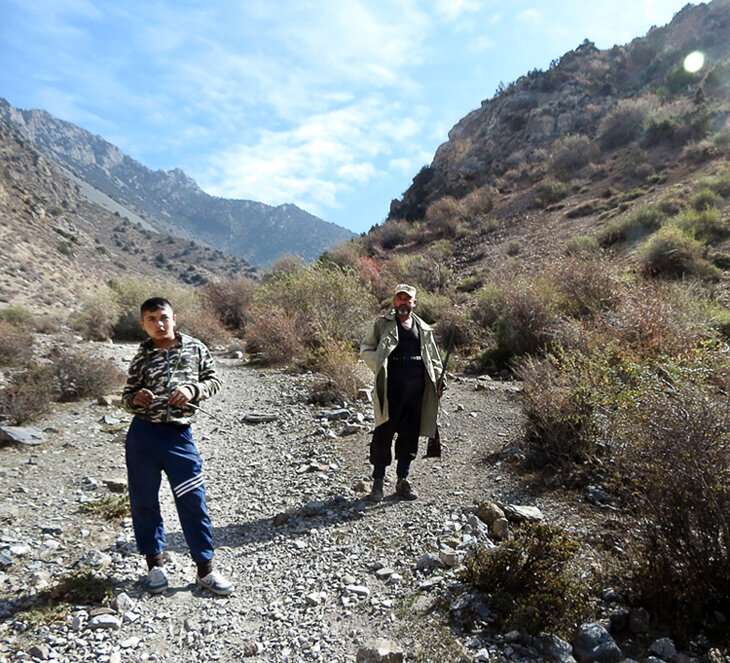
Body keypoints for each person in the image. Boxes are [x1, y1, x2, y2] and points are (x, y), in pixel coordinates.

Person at [121, 297, 234, 596]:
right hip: (143, 436)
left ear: (174, 318)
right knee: (144, 500)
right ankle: (155, 565)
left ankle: (206, 570)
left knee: (192, 501)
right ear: (143, 325)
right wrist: (135, 399)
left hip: (179, 436)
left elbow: (214, 380)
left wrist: (191, 390)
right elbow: (125, 396)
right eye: (151, 319)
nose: (159, 324)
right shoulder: (140, 357)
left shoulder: (195, 348)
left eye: (163, 317)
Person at [360, 284, 445, 502]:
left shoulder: (423, 328)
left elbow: (434, 359)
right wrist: (379, 365)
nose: (403, 303)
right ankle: (377, 483)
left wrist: (438, 381)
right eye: (399, 298)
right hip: (390, 389)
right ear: (394, 302)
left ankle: (402, 481)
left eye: (407, 299)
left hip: (417, 391)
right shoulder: (382, 324)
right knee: (383, 436)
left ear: (414, 303)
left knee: (409, 436)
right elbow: (366, 349)